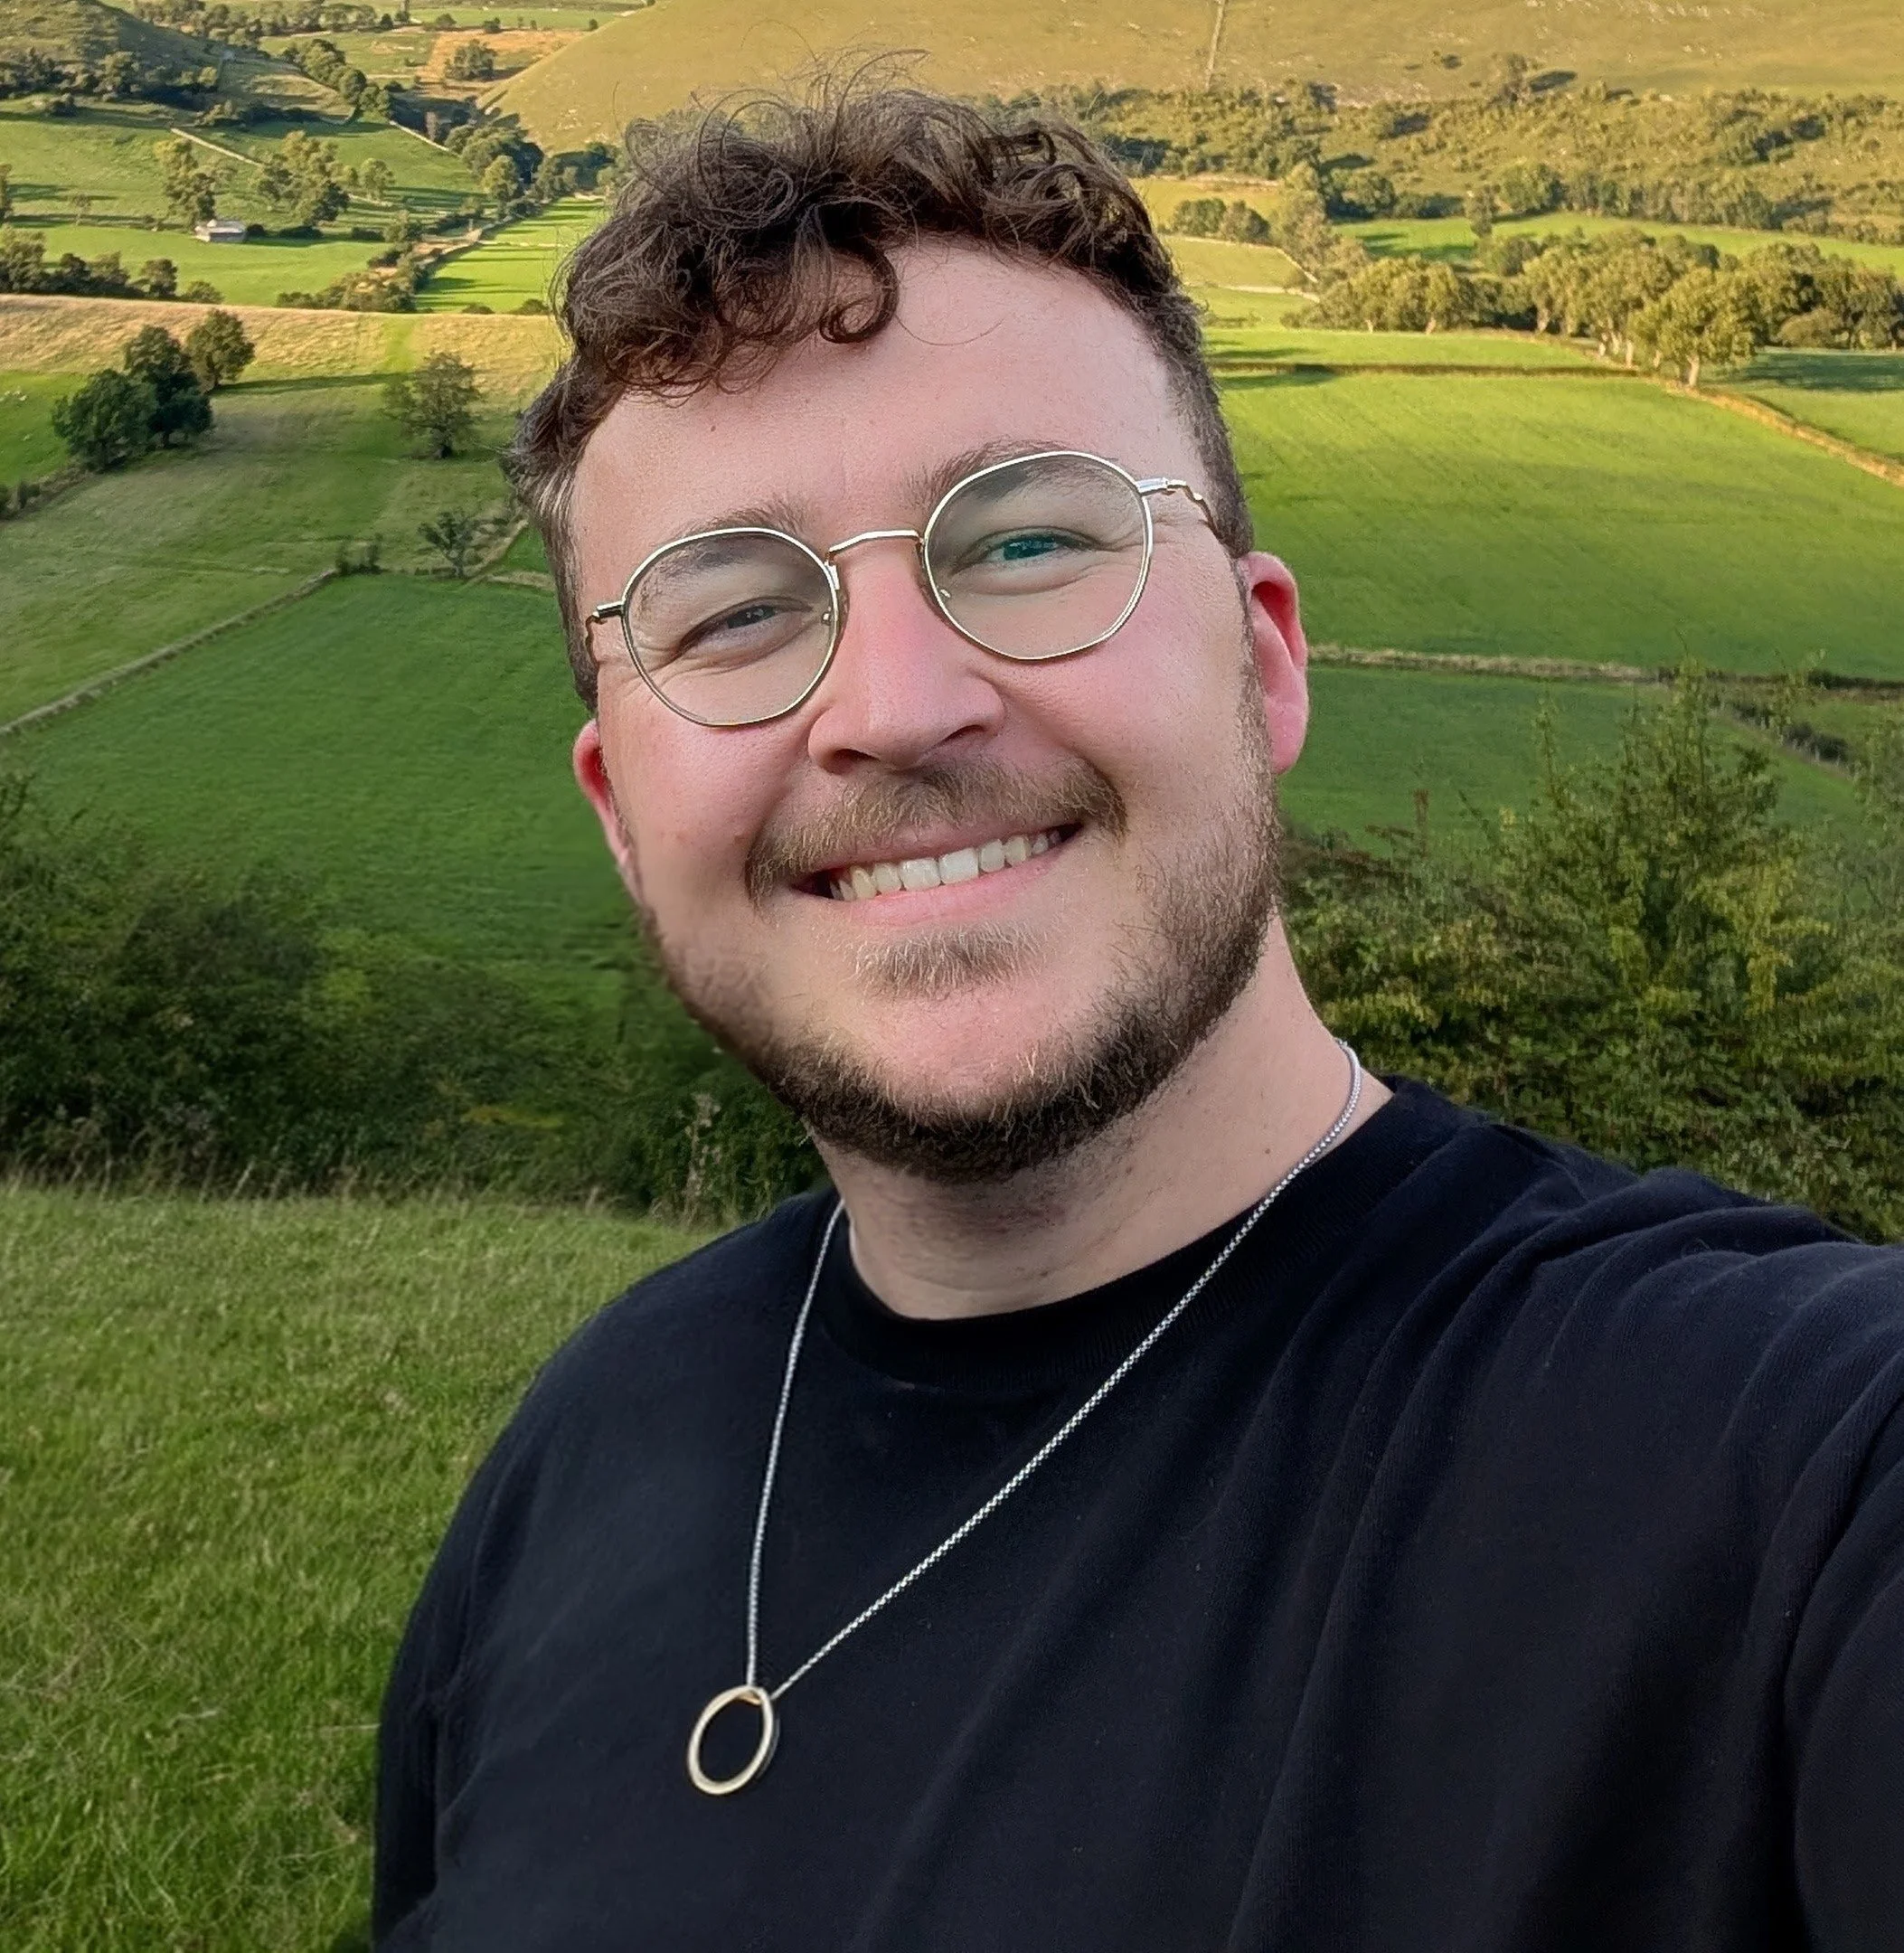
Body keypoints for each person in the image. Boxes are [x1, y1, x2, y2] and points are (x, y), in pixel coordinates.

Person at [372, 88, 1904, 1950]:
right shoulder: (584, 1453)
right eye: (731, 614)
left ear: (1263, 661)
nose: (896, 706)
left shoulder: (1788, 1463)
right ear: (623, 810)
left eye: (1025, 541)